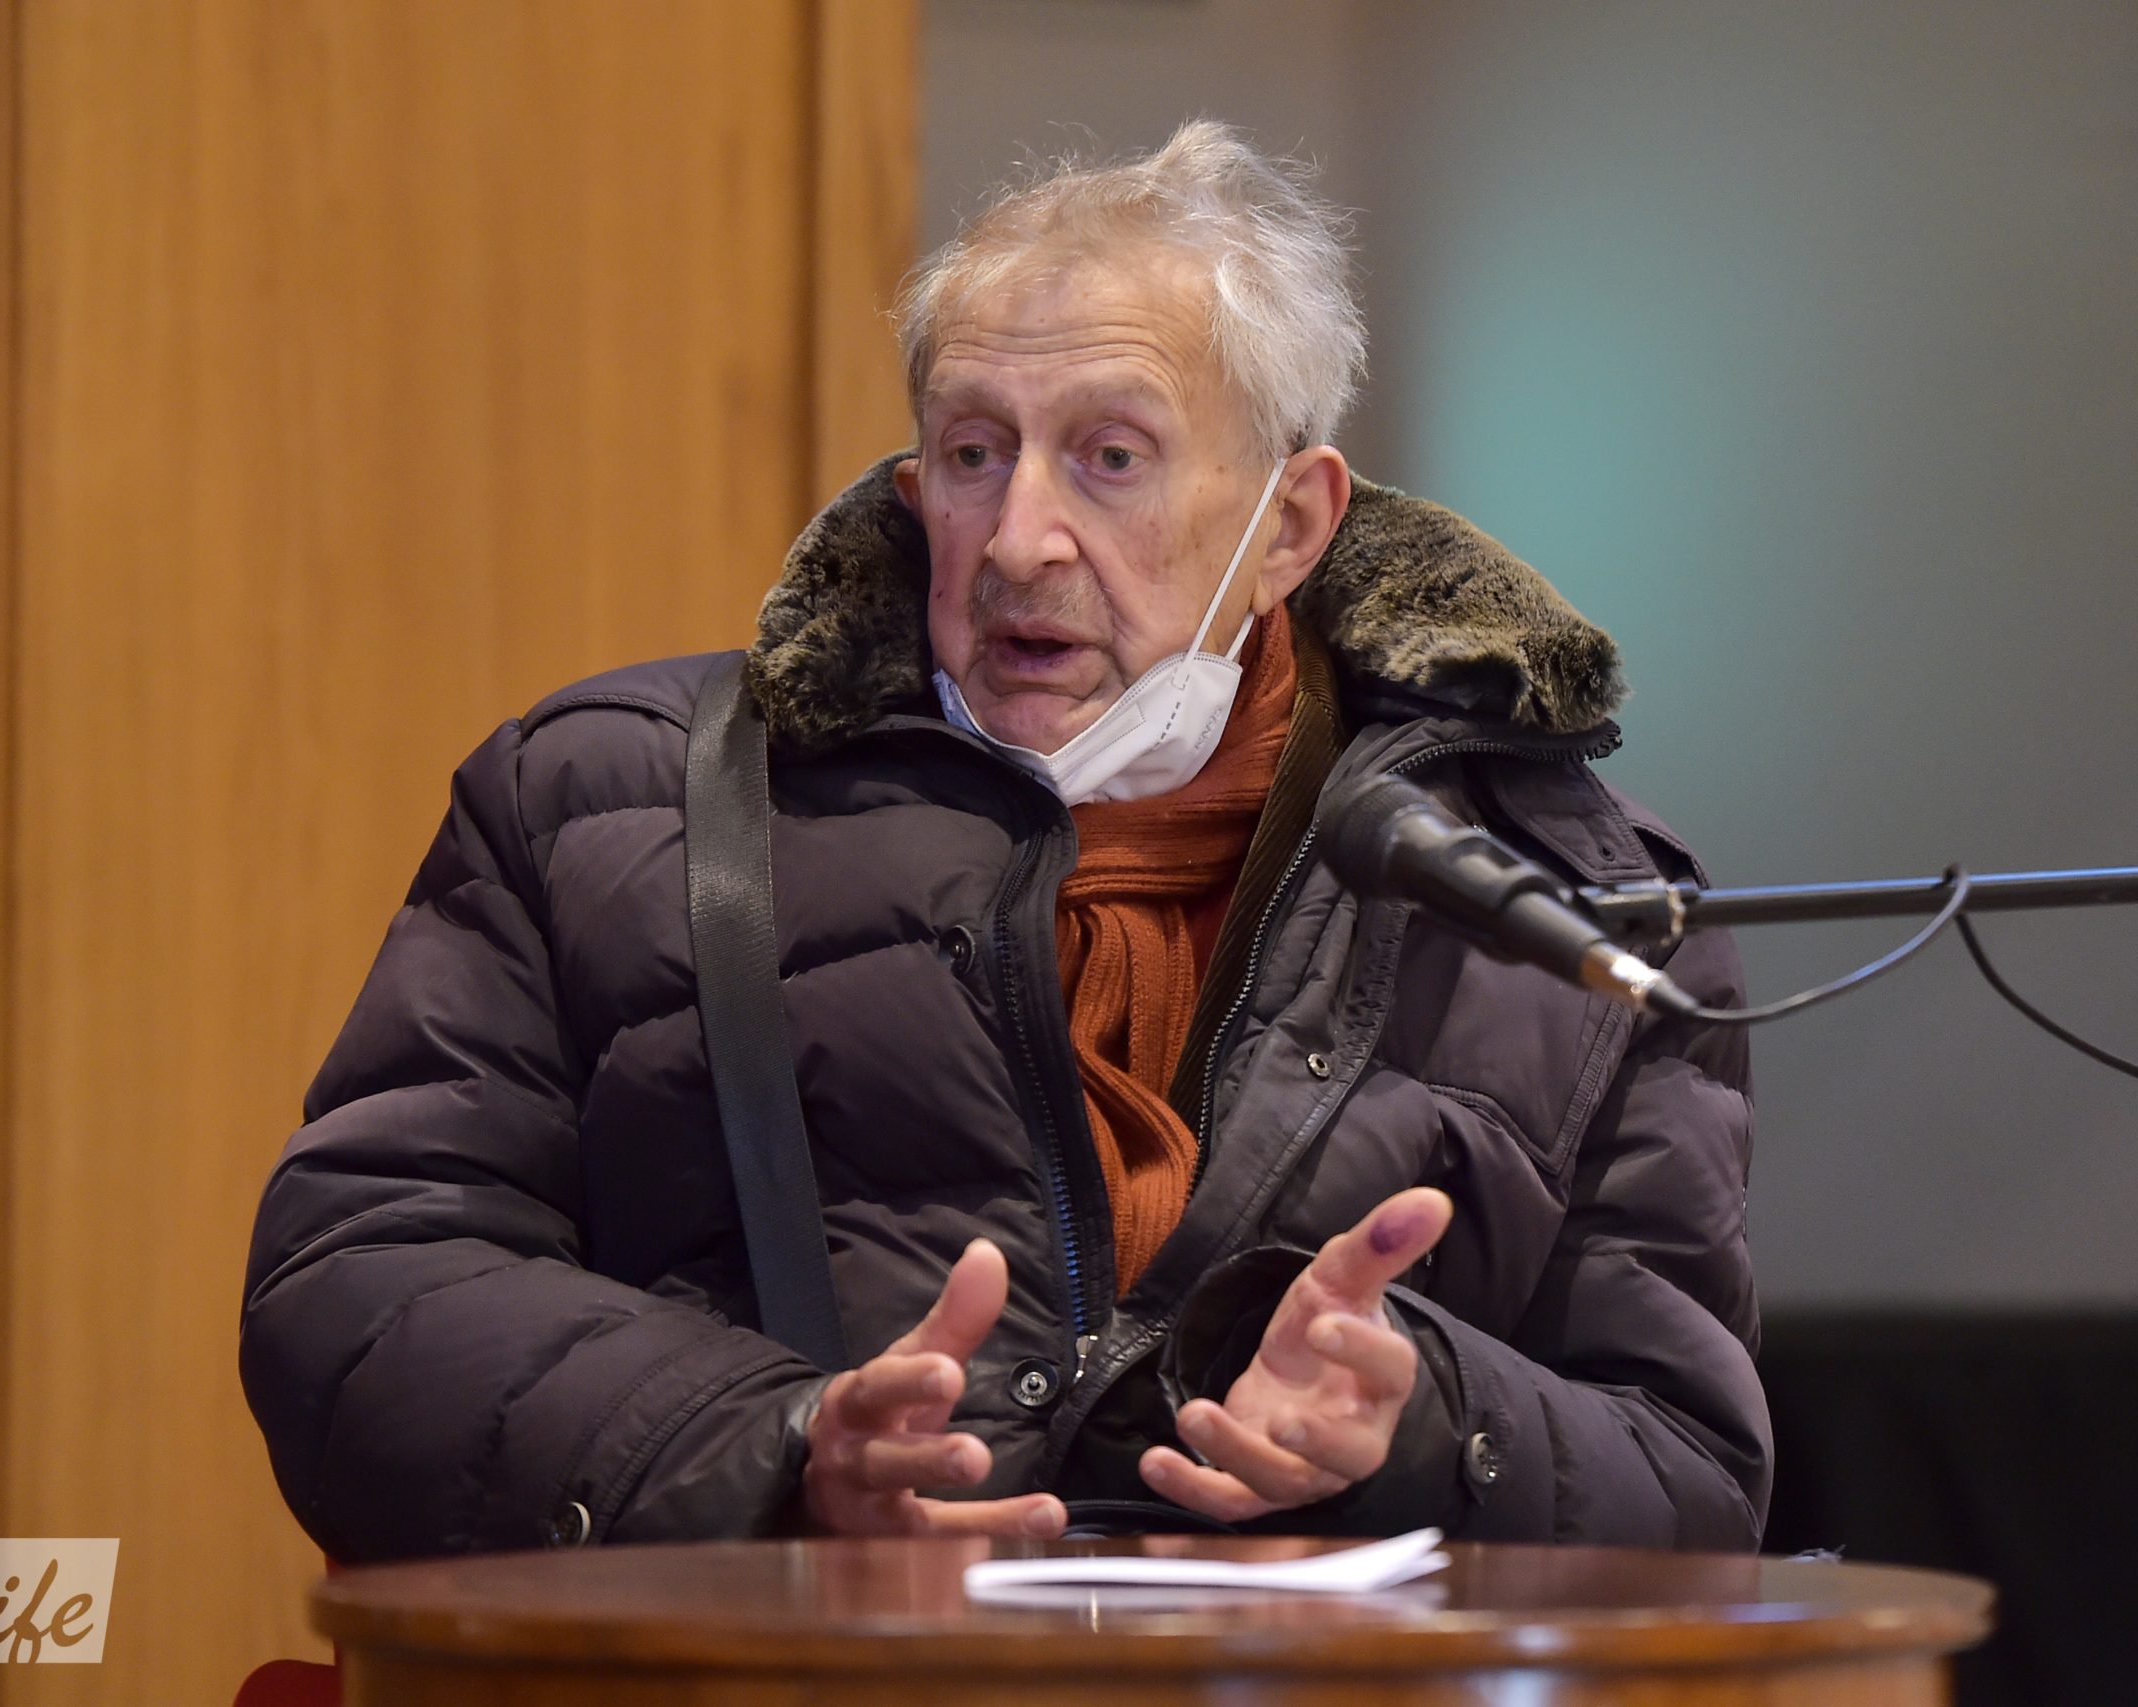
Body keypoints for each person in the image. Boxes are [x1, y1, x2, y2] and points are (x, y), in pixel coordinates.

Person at [238, 121, 1767, 1559]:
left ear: (1290, 526)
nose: (1022, 538)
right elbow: (358, 1285)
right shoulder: (604, 801)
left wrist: (1425, 1420)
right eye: (974, 453)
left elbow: (1692, 1480)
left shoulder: (1573, 905)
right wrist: (772, 1449)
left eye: (1112, 457)